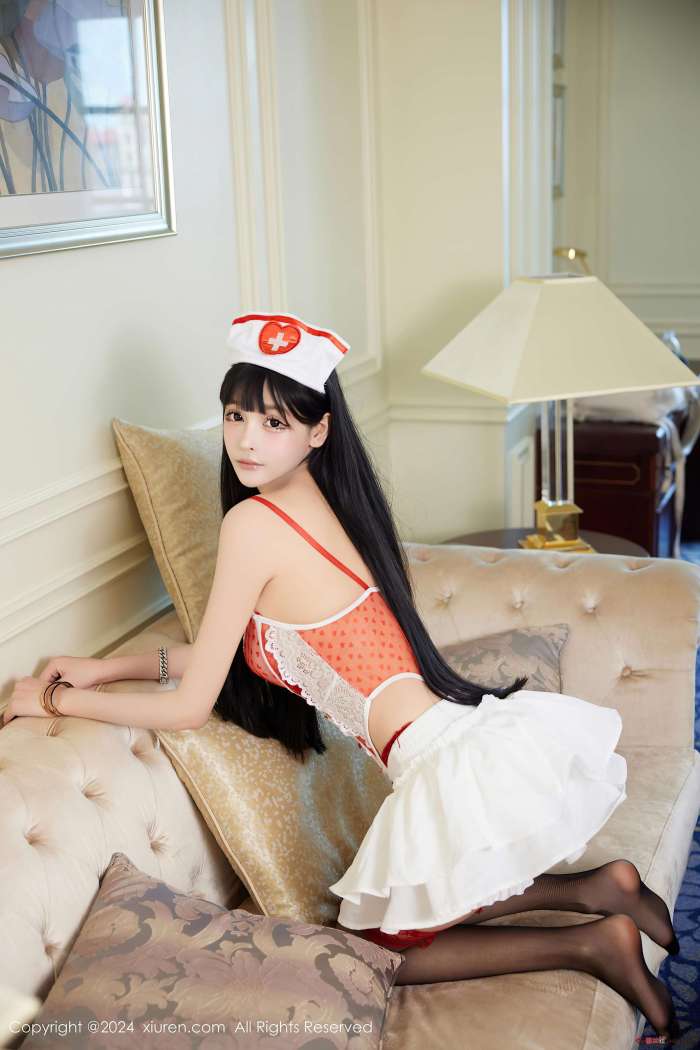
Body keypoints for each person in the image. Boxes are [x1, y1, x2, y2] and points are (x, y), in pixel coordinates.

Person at [4, 311, 680, 1042]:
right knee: (424, 902)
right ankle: (599, 888)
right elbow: (228, 653)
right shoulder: (327, 503)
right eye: (235, 416)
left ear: (318, 430)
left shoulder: (253, 524)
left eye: (274, 422)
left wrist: (56, 700)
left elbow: (192, 706)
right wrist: (104, 670)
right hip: (451, 741)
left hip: (433, 759)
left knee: (380, 946)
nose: (247, 440)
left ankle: (589, 941)